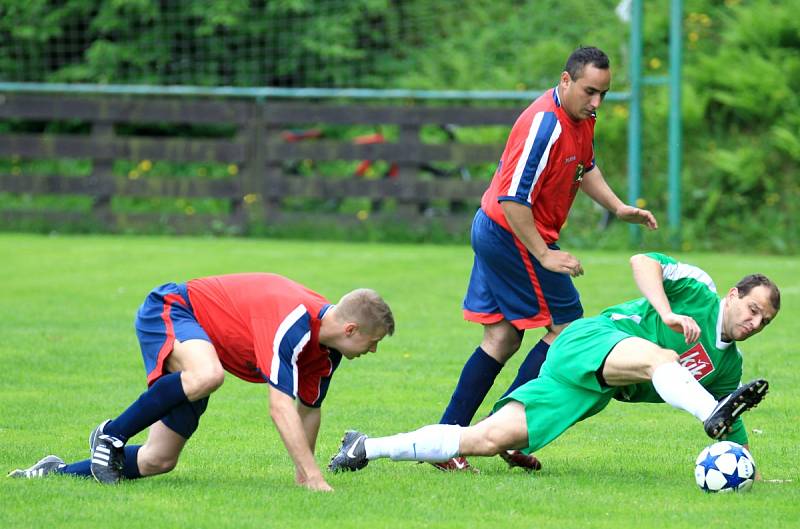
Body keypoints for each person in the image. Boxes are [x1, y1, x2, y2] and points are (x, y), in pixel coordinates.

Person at [329, 253, 779, 476]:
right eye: (753, 309)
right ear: (734, 295)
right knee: (661, 357)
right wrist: (664, 313)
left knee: (485, 439)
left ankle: (363, 447)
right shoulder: (698, 289)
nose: (754, 322)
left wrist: (747, 466)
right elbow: (642, 261)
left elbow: (731, 422)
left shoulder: (727, 368)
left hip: (589, 387)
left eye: (765, 321)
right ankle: (705, 411)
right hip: (591, 339)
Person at [435, 46, 658, 471]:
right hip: (512, 234)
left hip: (501, 230)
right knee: (567, 328)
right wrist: (545, 255)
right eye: (590, 92)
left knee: (501, 339)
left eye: (604, 95)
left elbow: (584, 167)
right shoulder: (544, 125)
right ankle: (505, 433)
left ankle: (447, 441)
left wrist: (617, 207)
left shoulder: (582, 118)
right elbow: (513, 199)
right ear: (565, 81)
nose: (596, 103)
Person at [8, 273, 394, 492]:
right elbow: (279, 407)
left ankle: (52, 471)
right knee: (208, 375)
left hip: (204, 346)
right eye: (372, 342)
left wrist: (304, 473)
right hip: (174, 309)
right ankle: (110, 434)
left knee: (158, 461)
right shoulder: (293, 325)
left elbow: (308, 409)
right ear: (350, 328)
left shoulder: (327, 354)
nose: (372, 352)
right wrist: (314, 478)